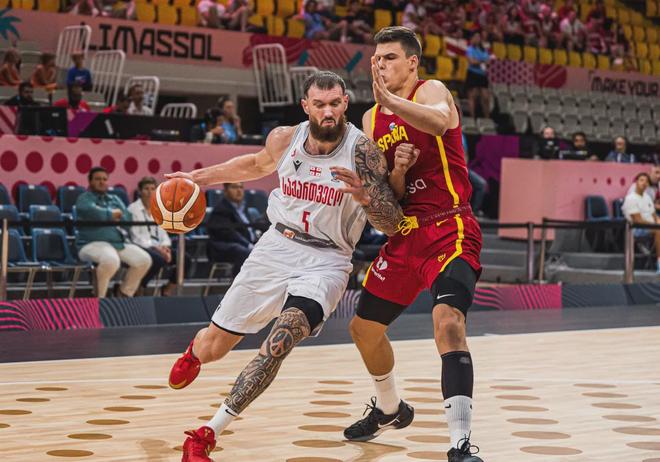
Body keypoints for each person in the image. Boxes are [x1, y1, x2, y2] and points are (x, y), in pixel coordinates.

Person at [165, 71, 404, 461]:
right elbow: (254, 164)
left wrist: (364, 197)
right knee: (214, 348)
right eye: (319, 104)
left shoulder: (363, 152)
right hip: (275, 248)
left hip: (327, 261)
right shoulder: (284, 138)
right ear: (306, 106)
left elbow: (392, 223)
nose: (328, 112)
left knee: (280, 340)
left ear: (345, 103)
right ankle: (195, 351)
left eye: (335, 103)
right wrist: (196, 178)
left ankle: (207, 433)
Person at [343, 27, 483, 462]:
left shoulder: (431, 91)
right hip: (406, 233)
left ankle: (460, 444)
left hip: (449, 226)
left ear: (412, 62)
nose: (380, 64)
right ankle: (390, 408)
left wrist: (390, 100)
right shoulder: (371, 120)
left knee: (448, 323)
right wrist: (397, 174)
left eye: (389, 57)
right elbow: (392, 195)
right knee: (363, 330)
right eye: (376, 59)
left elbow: (438, 122)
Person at [76, 167, 152, 297]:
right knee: (111, 260)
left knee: (144, 260)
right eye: (98, 179)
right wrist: (111, 214)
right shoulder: (84, 199)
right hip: (90, 243)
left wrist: (116, 216)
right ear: (90, 181)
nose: (102, 182)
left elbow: (127, 219)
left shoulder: (115, 199)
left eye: (104, 179)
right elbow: (92, 212)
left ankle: (123, 293)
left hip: (117, 243)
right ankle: (100, 298)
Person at [128, 176, 177, 296]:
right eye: (146, 189)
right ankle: (140, 286)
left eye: (152, 189)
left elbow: (163, 232)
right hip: (142, 246)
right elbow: (135, 236)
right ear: (140, 191)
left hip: (159, 247)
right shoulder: (132, 209)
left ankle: (167, 289)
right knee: (158, 259)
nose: (150, 192)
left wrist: (165, 247)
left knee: (185, 259)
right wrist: (157, 248)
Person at [206, 182, 256, 276]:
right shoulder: (221, 209)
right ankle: (239, 283)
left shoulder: (243, 209)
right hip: (222, 247)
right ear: (225, 191)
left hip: (245, 244)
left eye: (241, 187)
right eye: (234, 187)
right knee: (243, 251)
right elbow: (228, 233)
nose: (239, 190)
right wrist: (248, 244)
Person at [621, 172, 660, 274]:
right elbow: (638, 220)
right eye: (641, 180)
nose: (644, 183)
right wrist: (656, 225)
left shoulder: (647, 197)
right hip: (637, 229)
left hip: (651, 226)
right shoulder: (630, 198)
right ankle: (659, 264)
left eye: (646, 181)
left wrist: (658, 221)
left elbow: (654, 215)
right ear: (636, 182)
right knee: (658, 231)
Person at [465, 32, 491, 118]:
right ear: (472, 39)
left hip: (482, 75)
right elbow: (472, 61)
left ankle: (487, 118)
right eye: (475, 37)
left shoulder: (484, 50)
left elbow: (488, 62)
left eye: (478, 37)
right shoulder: (469, 49)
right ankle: (472, 118)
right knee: (472, 96)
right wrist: (482, 61)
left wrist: (478, 61)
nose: (477, 39)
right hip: (472, 74)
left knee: (486, 97)